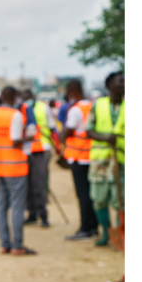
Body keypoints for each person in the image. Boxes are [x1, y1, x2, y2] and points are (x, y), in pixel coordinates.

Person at [0, 86, 36, 255]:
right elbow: (15, 141)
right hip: (16, 166)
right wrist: (30, 136)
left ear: (1, 96)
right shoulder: (16, 115)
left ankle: (5, 244)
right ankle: (18, 245)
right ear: (15, 98)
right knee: (18, 207)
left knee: (2, 205)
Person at [85, 72, 124, 246]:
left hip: (122, 161)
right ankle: (106, 233)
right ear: (109, 85)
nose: (123, 84)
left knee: (121, 200)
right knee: (99, 199)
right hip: (101, 161)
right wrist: (105, 138)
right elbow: (89, 130)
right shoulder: (98, 105)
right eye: (120, 81)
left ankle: (121, 233)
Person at [61, 80, 98, 242]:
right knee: (91, 194)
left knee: (82, 194)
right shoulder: (92, 106)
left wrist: (62, 137)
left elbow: (67, 132)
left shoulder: (75, 110)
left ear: (72, 92)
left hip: (78, 158)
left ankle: (86, 228)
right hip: (91, 156)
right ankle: (94, 225)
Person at [22, 89, 60, 228]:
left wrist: (57, 146)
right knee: (27, 184)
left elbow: (53, 128)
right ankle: (31, 213)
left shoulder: (43, 108)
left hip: (41, 149)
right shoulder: (21, 109)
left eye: (28, 96)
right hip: (26, 150)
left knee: (39, 183)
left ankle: (43, 215)